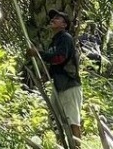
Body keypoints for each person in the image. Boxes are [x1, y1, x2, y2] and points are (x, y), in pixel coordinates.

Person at [27, 8, 82, 142]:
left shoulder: (65, 38)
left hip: (69, 85)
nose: (52, 19)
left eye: (57, 18)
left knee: (72, 120)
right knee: (55, 120)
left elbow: (60, 58)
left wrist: (38, 53)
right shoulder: (55, 41)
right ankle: (61, 144)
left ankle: (77, 146)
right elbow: (56, 64)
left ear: (64, 25)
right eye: (52, 18)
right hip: (59, 87)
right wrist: (46, 77)